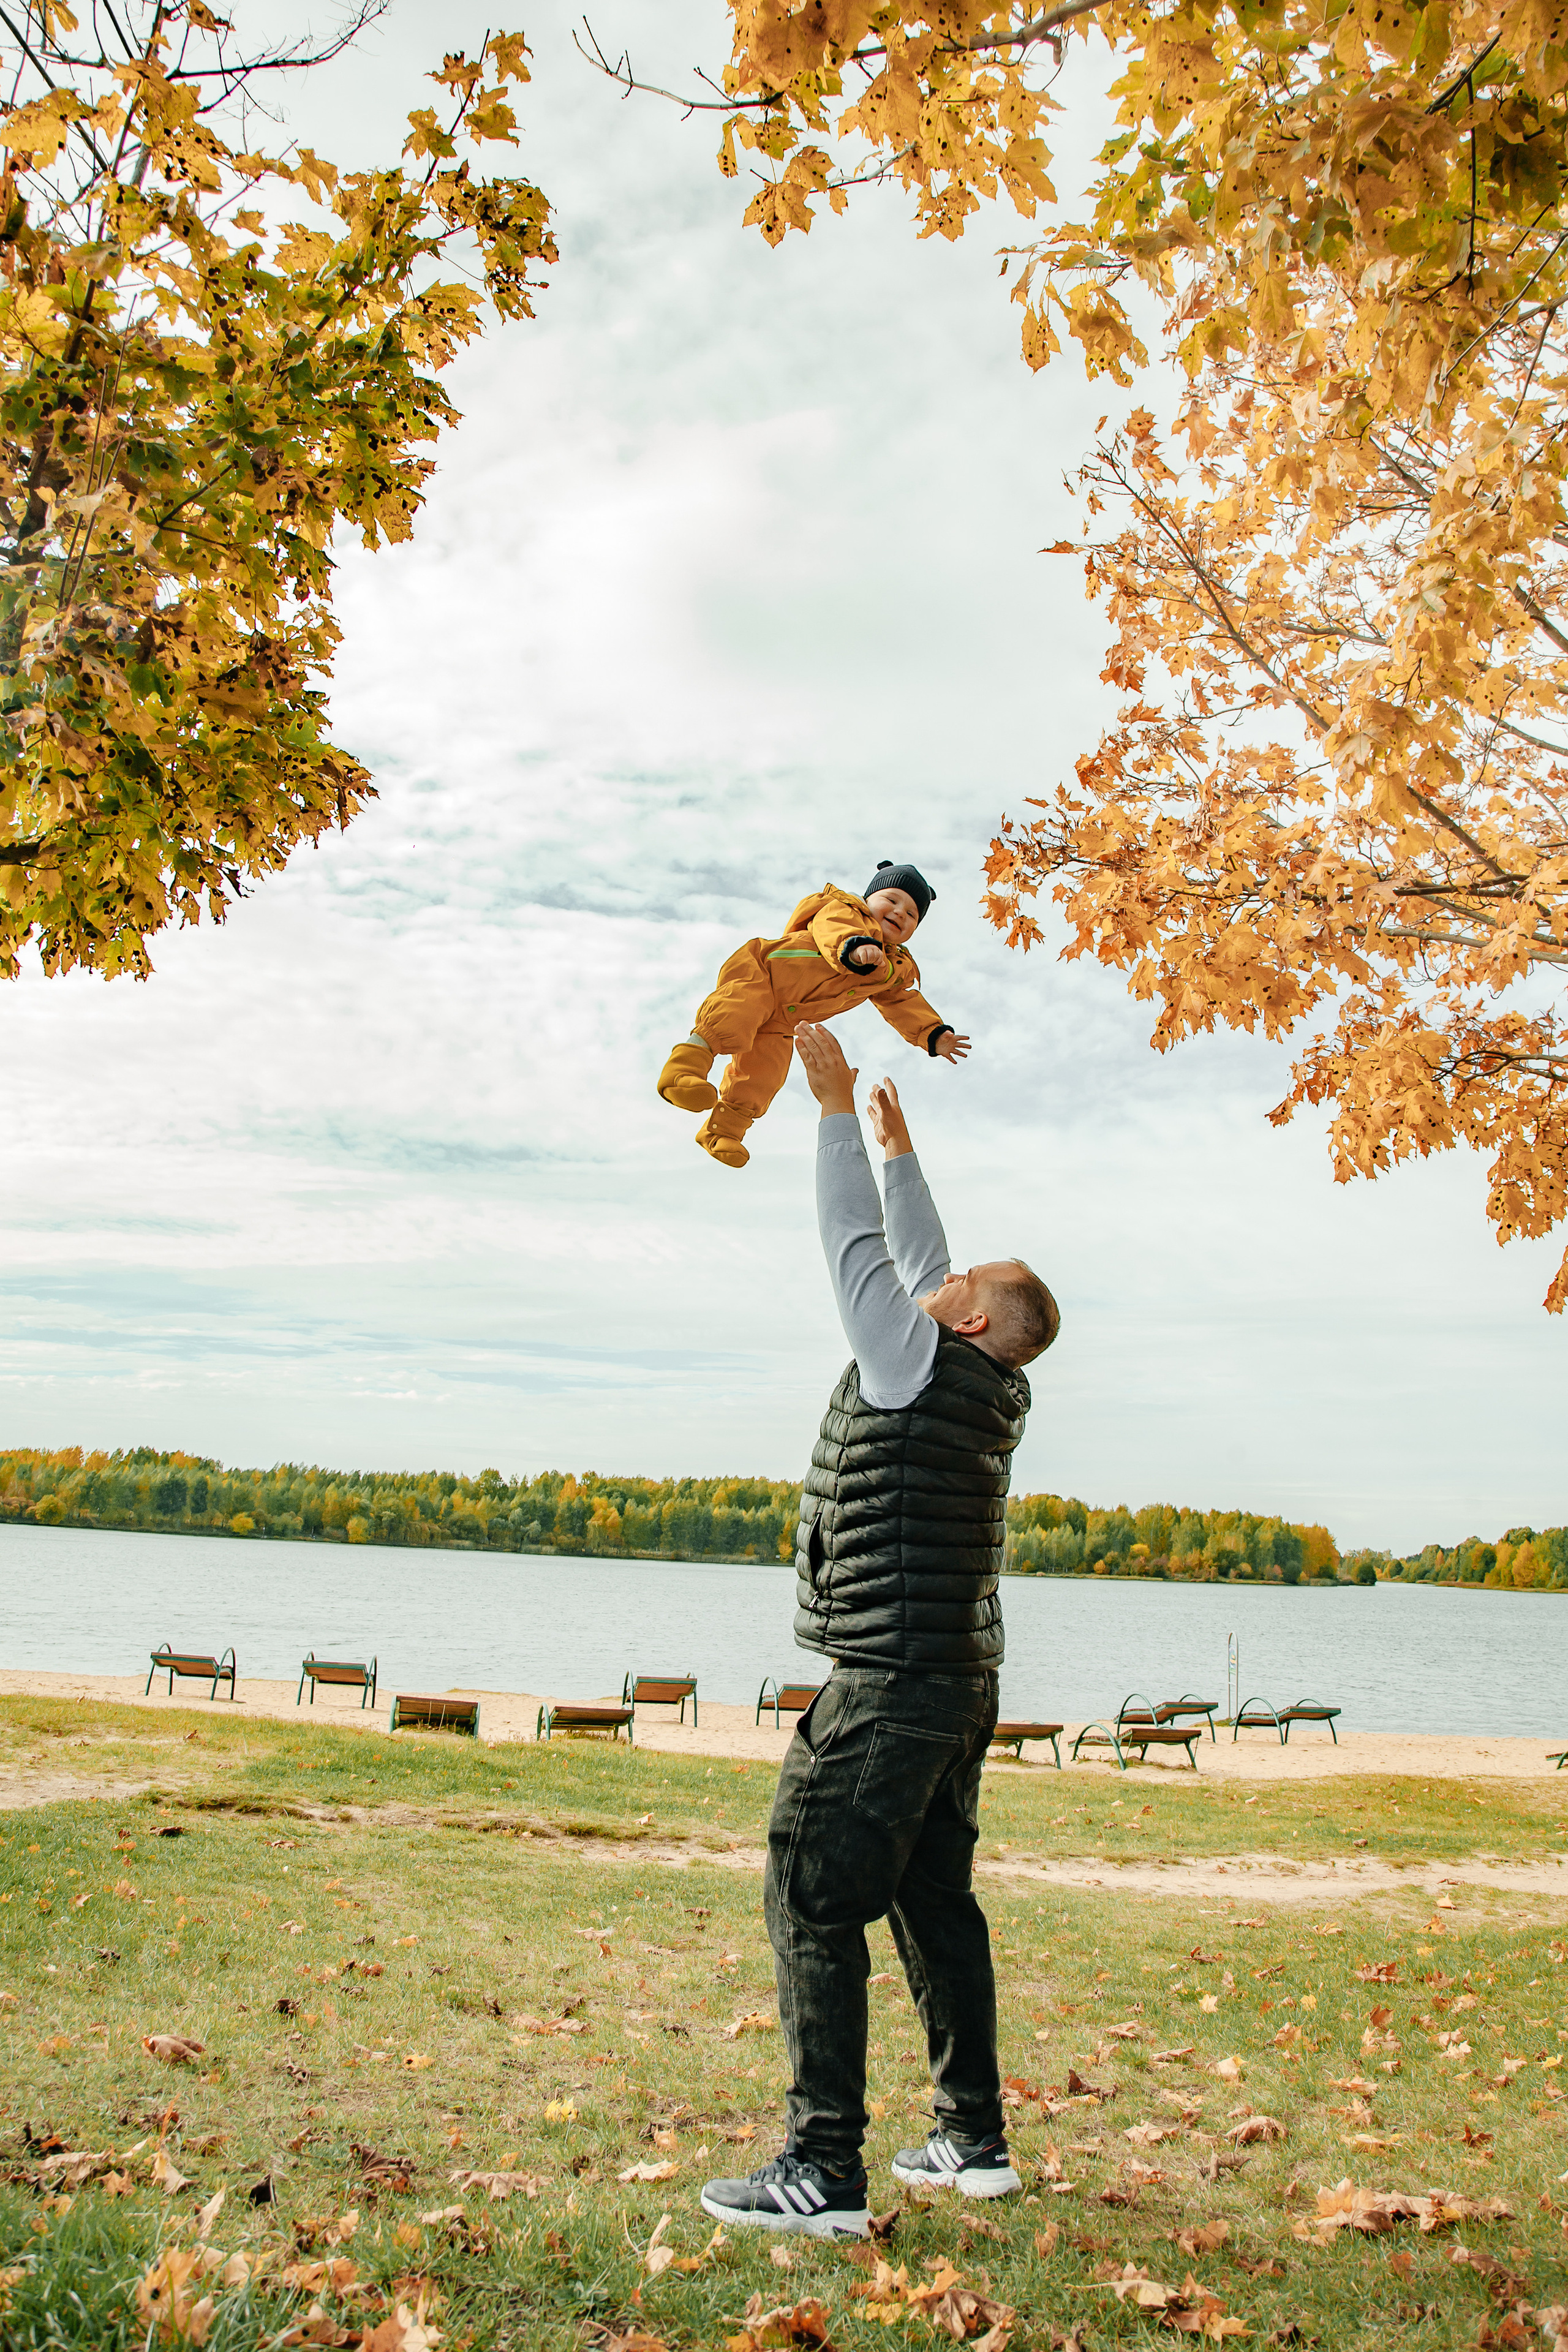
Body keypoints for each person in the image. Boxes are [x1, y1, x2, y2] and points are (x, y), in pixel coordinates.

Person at [699, 1023, 1060, 2237]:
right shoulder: (977, 1381)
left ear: (969, 1324)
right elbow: (924, 1257)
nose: (934, 1283)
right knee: (930, 1899)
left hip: (892, 1684)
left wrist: (834, 1112)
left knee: (809, 1891)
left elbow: (855, 1246)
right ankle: (971, 2140)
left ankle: (821, 2171)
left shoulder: (908, 1361)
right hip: (956, 1683)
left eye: (957, 1289)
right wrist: (904, 1151)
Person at [656, 861, 970, 1169]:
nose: (901, 912)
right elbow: (832, 928)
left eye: (912, 914)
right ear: (868, 899)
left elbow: (901, 1003)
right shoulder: (845, 909)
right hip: (763, 973)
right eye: (892, 899)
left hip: (784, 1021)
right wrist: (854, 945)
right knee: (733, 1016)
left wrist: (933, 1034)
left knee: (763, 1075)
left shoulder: (892, 969)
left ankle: (723, 1132)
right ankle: (683, 1071)